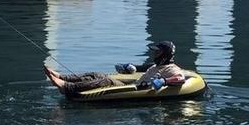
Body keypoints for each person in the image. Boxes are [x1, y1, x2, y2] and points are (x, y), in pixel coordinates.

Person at [45, 41, 186, 97]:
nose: (154, 54)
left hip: (138, 90)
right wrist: (130, 67)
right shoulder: (156, 66)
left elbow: (181, 78)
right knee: (97, 74)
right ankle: (63, 77)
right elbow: (140, 68)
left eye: (157, 52)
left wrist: (164, 81)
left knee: (105, 80)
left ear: (165, 54)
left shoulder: (172, 69)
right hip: (133, 84)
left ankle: (67, 87)